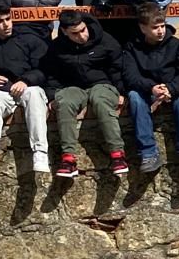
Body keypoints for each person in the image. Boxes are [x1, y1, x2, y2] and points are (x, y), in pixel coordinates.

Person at [45, 9, 126, 179]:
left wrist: (122, 91)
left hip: (103, 84)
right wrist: (53, 96)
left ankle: (118, 155)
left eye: (83, 30)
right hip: (73, 87)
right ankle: (68, 159)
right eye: (75, 34)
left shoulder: (105, 40)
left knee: (100, 100)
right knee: (65, 102)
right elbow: (51, 74)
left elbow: (118, 67)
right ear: (65, 32)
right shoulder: (57, 47)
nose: (81, 36)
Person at [121, 3, 179, 174]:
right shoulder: (132, 48)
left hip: (177, 89)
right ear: (143, 28)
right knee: (134, 97)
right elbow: (130, 77)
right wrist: (152, 88)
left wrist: (170, 89)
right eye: (155, 27)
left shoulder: (178, 45)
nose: (160, 31)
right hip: (148, 90)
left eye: (162, 26)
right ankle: (148, 153)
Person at [0, 0, 51, 174]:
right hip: (3, 92)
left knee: (34, 96)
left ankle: (40, 152)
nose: (5, 24)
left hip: (30, 87)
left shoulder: (30, 40)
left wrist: (25, 80)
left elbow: (45, 69)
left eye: (8, 19)